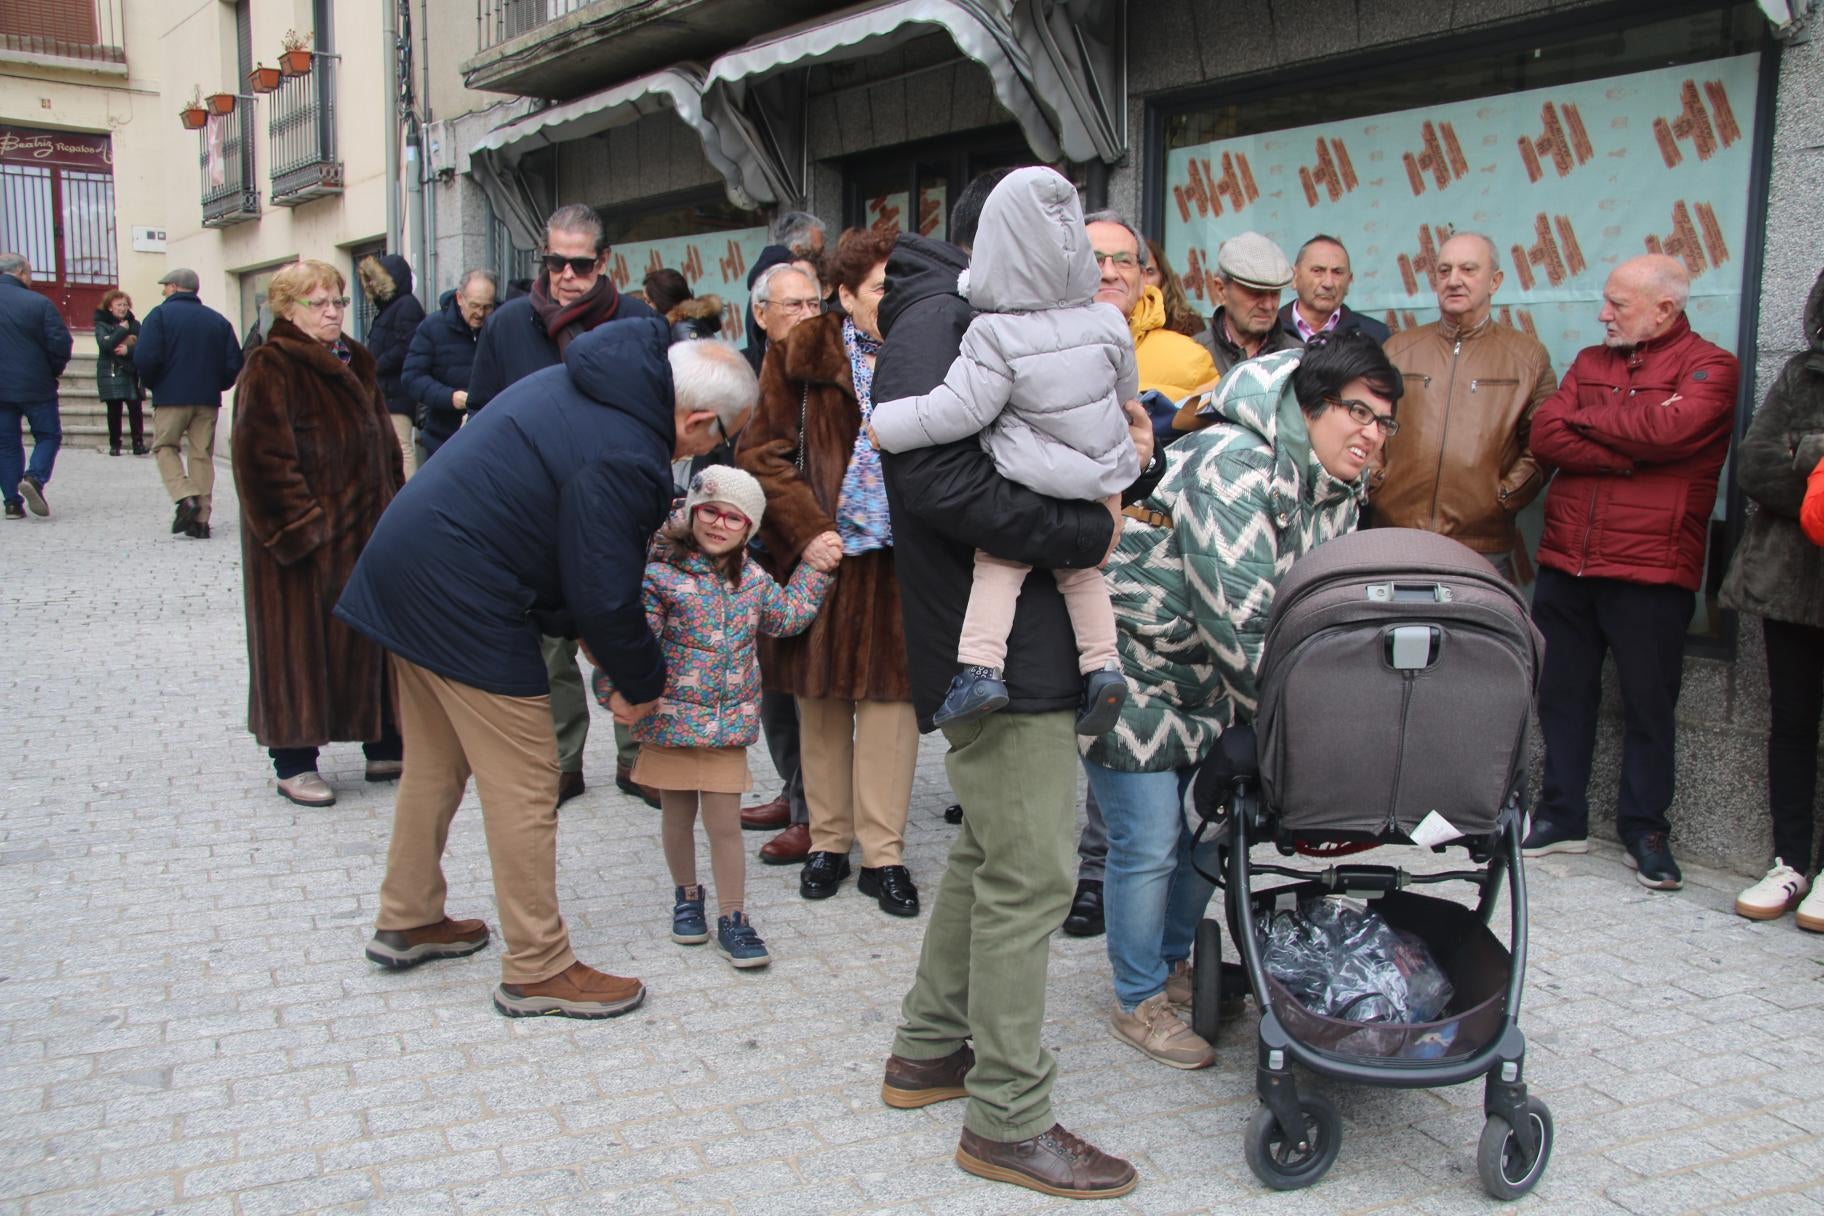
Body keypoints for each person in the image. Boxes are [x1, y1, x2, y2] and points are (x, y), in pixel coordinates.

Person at [336, 320, 756, 1018]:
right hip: (461, 594)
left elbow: (571, 558)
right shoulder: (626, 449)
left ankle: (407, 915)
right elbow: (603, 590)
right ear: (699, 418)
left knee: (437, 762)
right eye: (716, 440)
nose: (707, 454)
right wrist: (642, 687)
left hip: (407, 569)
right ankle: (537, 965)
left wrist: (608, 650)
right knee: (529, 782)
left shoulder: (593, 383)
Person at [876, 171, 1156, 1200]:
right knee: (1034, 871)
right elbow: (933, 477)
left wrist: (1124, 467)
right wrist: (1088, 528)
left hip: (1018, 635)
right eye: (1085, 246)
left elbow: (1049, 443)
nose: (1099, 268)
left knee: (994, 854)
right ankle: (1006, 1117)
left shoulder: (982, 311)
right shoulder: (946, 321)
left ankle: (928, 1051)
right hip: (996, 649)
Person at [1086, 331, 1398, 1071]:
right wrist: (1304, 731)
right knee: (1149, 837)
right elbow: (1240, 621)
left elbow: (1322, 605)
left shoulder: (1335, 482)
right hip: (1130, 665)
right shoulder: (1235, 461)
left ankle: (1168, 964)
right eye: (1358, 413)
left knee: (1210, 833)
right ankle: (1137, 1000)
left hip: (1213, 685)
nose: (1372, 435)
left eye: (1385, 422)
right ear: (1313, 406)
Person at [870, 166, 1136, 733]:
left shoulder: (991, 329)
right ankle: (1105, 664)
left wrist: (885, 424)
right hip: (1093, 476)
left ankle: (981, 668)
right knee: (1083, 575)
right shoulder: (1108, 321)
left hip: (1030, 478)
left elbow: (954, 412)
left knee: (999, 566)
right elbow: (1125, 396)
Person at [1523, 255, 1740, 889]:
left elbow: (1675, 431)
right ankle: (1562, 816)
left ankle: (1645, 829)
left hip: (1650, 569)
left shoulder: (1711, 366)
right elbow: (1545, 436)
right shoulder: (1591, 362)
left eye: (1618, 304)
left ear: (1664, 309)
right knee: (1562, 696)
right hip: (1568, 558)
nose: (1603, 314)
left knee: (1649, 706)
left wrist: (1590, 425)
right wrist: (1630, 456)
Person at [736, 226, 922, 918]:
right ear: (844, 294)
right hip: (822, 560)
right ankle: (829, 843)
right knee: (819, 707)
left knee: (890, 711)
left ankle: (885, 855)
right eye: (881, 288)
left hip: (901, 563)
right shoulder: (800, 351)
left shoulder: (925, 350)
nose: (894, 300)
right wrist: (807, 530)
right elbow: (759, 455)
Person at [595, 466, 838, 969]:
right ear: (691, 510)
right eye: (710, 511)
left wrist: (814, 571)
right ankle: (687, 897)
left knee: (724, 825)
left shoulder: (752, 578)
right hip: (670, 720)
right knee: (677, 816)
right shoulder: (658, 575)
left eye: (734, 518)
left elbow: (787, 616)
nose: (719, 525)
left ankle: (734, 916)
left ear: (749, 529)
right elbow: (636, 641)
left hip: (728, 727)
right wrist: (615, 685)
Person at [465, 204, 657, 808]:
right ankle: (563, 762)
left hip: (615, 510)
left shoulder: (636, 321)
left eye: (579, 263)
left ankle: (638, 759)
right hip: (534, 516)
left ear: (604, 262)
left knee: (623, 624)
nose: (565, 275)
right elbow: (485, 419)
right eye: (554, 262)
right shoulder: (509, 324)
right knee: (550, 652)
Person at [232, 259, 405, 807]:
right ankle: (294, 761)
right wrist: (304, 532)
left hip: (368, 534)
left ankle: (383, 741)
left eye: (338, 301)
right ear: (287, 310)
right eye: (318, 303)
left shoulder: (356, 359)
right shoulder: (271, 365)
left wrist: (397, 511)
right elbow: (261, 462)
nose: (332, 311)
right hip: (303, 549)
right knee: (298, 652)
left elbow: (384, 449)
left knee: (370, 641)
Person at [1721, 266, 1824, 929]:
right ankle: (1789, 861)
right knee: (1790, 725)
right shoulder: (1803, 375)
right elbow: (1756, 464)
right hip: (1795, 586)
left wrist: (1806, 453)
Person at [1374, 232, 1553, 581]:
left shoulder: (1527, 357)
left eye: (1468, 269)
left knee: (1469, 636)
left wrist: (1501, 496)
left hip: (1481, 546)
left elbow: (1543, 445)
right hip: (1393, 535)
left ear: (1495, 281)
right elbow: (1365, 424)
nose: (1454, 280)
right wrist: (1377, 480)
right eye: (1444, 270)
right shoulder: (1398, 349)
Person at [133, 268, 243, 539]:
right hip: (207, 399)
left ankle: (185, 497)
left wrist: (154, 383)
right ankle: (201, 521)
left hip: (170, 397)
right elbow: (234, 363)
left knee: (164, 447)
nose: (163, 291)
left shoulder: (158, 316)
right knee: (201, 454)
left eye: (165, 286)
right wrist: (217, 385)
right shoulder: (218, 321)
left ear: (172, 287)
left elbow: (145, 358)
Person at [1085, 211, 1216, 402]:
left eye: (1124, 261)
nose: (1110, 273)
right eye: (1095, 260)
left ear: (1142, 280)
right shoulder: (1035, 353)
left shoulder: (1190, 362)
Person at [0, 252, 70, 520]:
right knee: (48, 435)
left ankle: (11, 503)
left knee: (6, 445)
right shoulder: (40, 303)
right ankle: (35, 477)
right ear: (20, 272)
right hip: (36, 384)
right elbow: (60, 344)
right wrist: (51, 370)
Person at [402, 269, 497, 462]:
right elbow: (412, 377)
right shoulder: (432, 327)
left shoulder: (500, 324)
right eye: (474, 306)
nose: (480, 313)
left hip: (491, 434)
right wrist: (450, 397)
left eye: (487, 307)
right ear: (459, 298)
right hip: (444, 438)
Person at [1194, 231, 1303, 375]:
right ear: (1221, 290)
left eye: (1275, 293)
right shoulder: (1192, 355)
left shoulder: (1301, 360)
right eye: (1256, 293)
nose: (1268, 305)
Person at [359, 254, 427, 479]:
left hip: (397, 391)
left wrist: (375, 365)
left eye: (375, 279)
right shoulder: (388, 308)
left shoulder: (405, 305)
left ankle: (407, 500)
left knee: (401, 448)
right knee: (391, 448)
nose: (371, 285)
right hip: (386, 391)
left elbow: (408, 346)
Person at [744, 210, 827, 372]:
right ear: (761, 314)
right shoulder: (743, 371)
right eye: (794, 304)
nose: (808, 315)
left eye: (814, 304)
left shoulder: (838, 371)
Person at [1277, 234, 1391, 344]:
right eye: (1317, 271)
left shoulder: (1375, 335)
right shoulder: (1267, 331)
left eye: (1337, 272)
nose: (1328, 283)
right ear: (1295, 277)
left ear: (1349, 281)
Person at [93, 290, 147, 457]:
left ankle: (138, 443)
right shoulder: (101, 324)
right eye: (119, 305)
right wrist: (121, 331)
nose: (123, 308)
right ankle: (115, 444)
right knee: (114, 409)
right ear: (110, 307)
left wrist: (128, 350)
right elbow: (105, 345)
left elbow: (145, 345)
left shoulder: (135, 324)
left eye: (125, 304)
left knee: (135, 407)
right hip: (111, 371)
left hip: (131, 371)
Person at [1144, 237, 1205, 338]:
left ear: (1163, 276)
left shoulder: (1187, 324)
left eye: (1149, 272)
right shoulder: (1114, 321)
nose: (1143, 280)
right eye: (1137, 272)